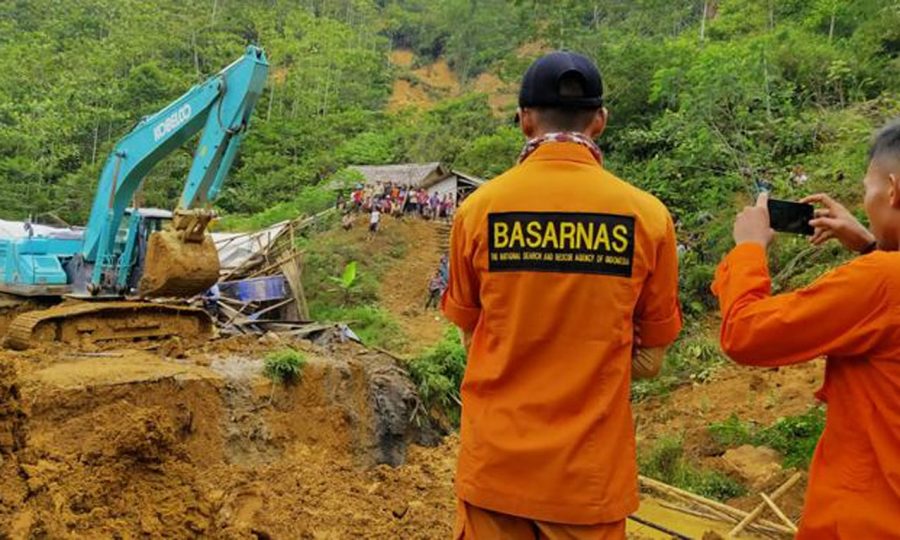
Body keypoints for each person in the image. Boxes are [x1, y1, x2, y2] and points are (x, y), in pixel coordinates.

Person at [443, 51, 682, 539]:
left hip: (496, 473)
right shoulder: (648, 218)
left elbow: (472, 339)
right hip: (587, 483)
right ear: (600, 121)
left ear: (524, 119)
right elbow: (651, 360)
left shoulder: (478, 211)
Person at [711, 120, 900, 538]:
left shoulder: (883, 281)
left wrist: (748, 249)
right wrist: (871, 244)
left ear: (893, 189)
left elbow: (745, 334)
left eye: (867, 189)